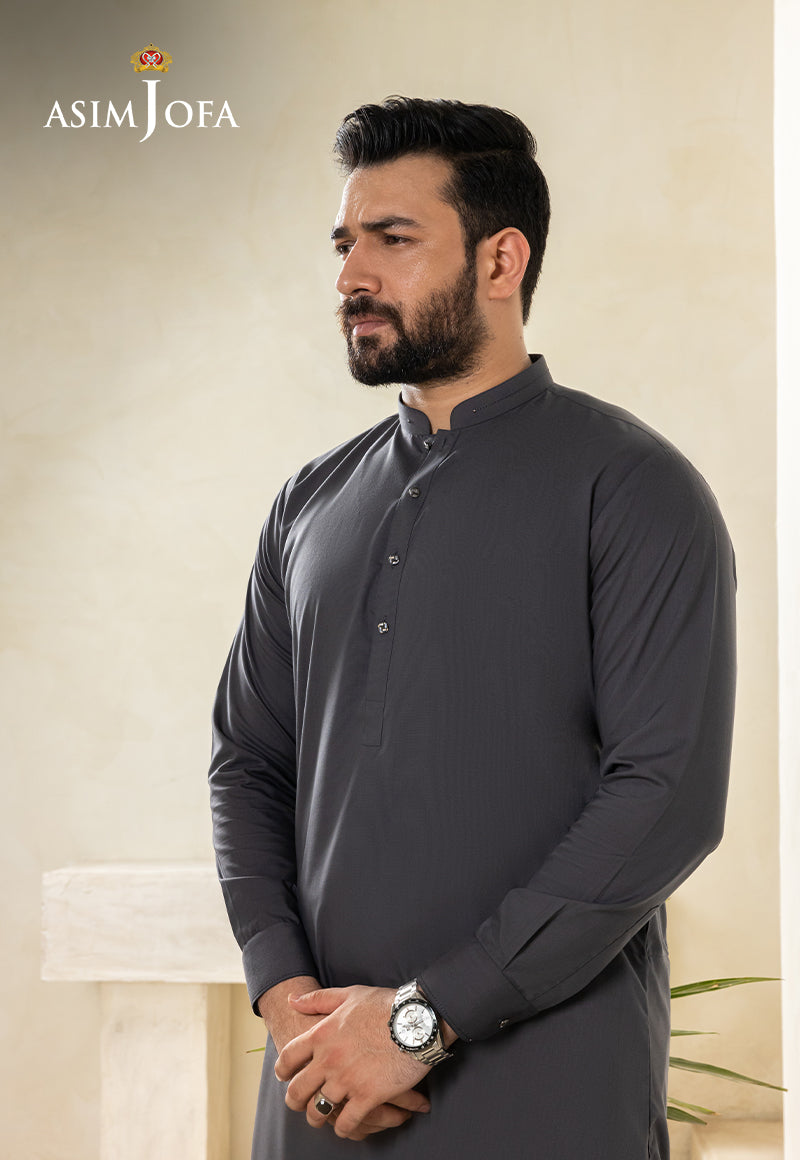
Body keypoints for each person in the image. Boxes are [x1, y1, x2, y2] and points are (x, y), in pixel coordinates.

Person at [209, 96, 736, 1159]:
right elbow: (248, 761)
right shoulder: (309, 501)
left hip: (550, 1097)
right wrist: (286, 996)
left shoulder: (633, 489)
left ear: (502, 260)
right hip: (323, 1092)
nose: (352, 275)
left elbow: (665, 796)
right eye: (344, 243)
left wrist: (418, 1022)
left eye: (393, 238)